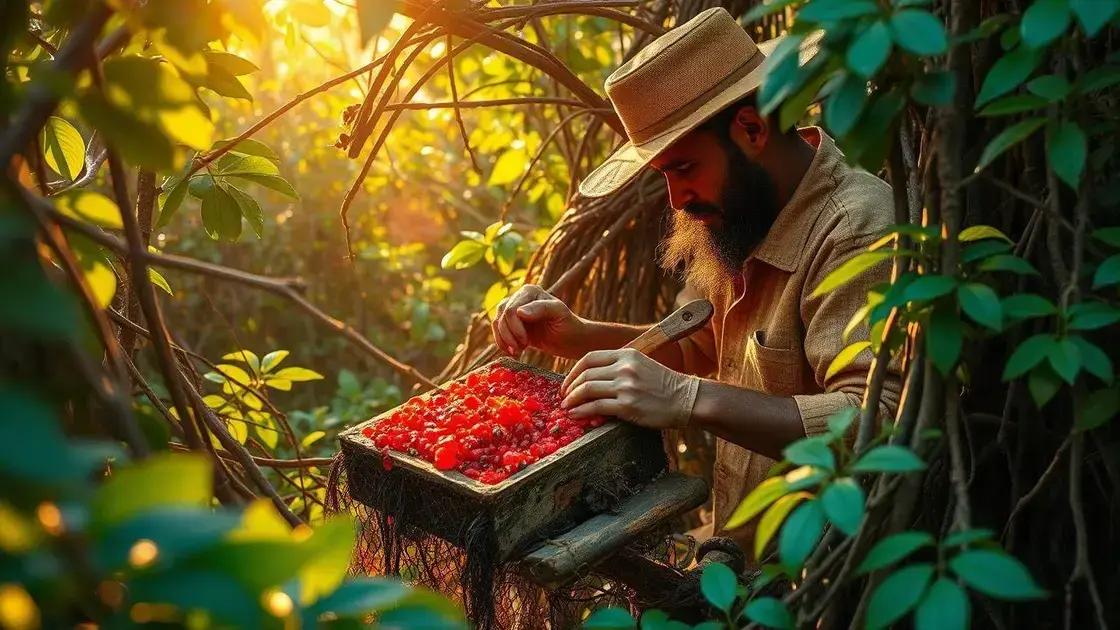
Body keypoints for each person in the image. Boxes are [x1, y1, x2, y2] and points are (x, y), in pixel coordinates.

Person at [491, 7, 901, 547]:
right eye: (665, 176)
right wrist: (581, 335)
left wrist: (687, 400)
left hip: (824, 570)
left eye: (684, 169)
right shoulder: (743, 212)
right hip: (740, 554)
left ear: (751, 129)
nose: (676, 200)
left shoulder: (856, 227)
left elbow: (874, 421)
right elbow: (701, 348)